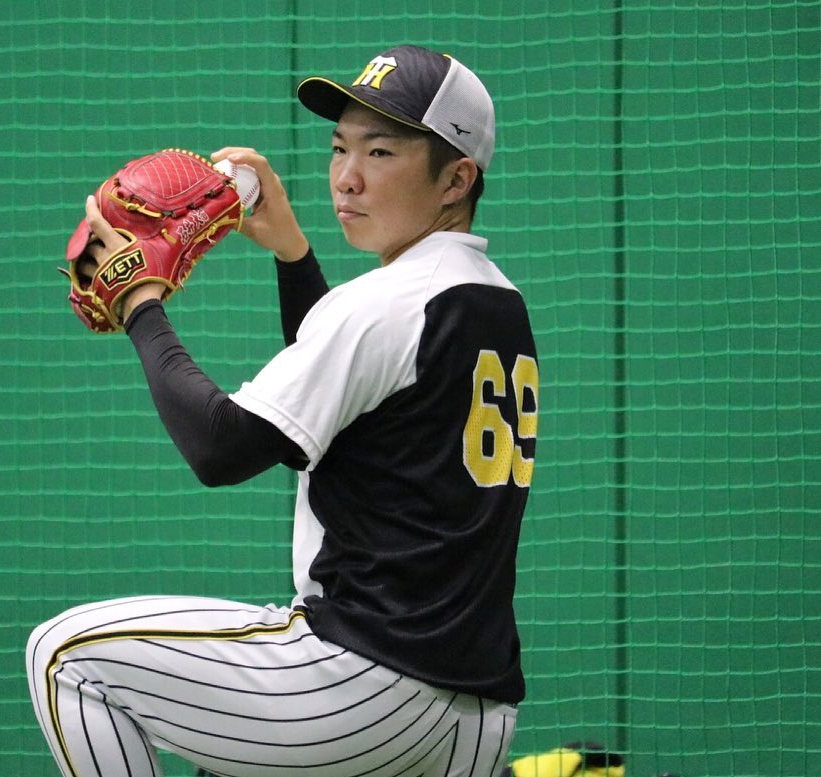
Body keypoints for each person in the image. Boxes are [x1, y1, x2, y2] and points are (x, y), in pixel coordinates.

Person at [26, 44, 539, 777]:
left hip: (365, 685)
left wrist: (139, 300)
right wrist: (293, 254)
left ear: (457, 178)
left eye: (380, 152)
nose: (347, 176)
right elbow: (349, 392)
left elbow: (221, 447)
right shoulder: (494, 298)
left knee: (65, 657)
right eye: (339, 148)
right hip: (472, 716)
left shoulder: (385, 302)